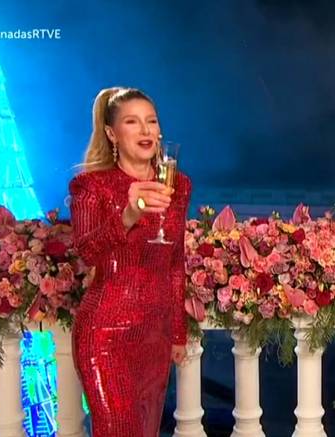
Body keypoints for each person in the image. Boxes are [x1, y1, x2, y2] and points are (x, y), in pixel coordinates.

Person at [69, 87, 191, 436]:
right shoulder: (90, 186)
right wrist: (128, 215)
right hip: (105, 334)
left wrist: (177, 333)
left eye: (151, 121)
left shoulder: (178, 185)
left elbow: (174, 262)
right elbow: (87, 252)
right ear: (112, 133)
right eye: (132, 122)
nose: (145, 130)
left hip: (155, 337)